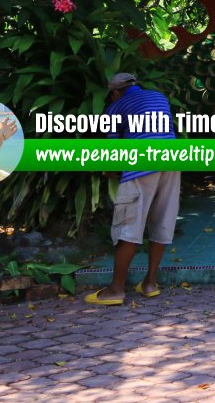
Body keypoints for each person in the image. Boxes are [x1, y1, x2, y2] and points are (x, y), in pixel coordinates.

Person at [84, 72, 180, 306]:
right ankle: (149, 284)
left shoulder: (115, 108)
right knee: (162, 223)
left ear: (115, 92)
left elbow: (114, 153)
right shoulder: (159, 97)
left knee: (129, 226)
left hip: (142, 165)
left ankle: (116, 290)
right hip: (173, 161)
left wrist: (109, 170)